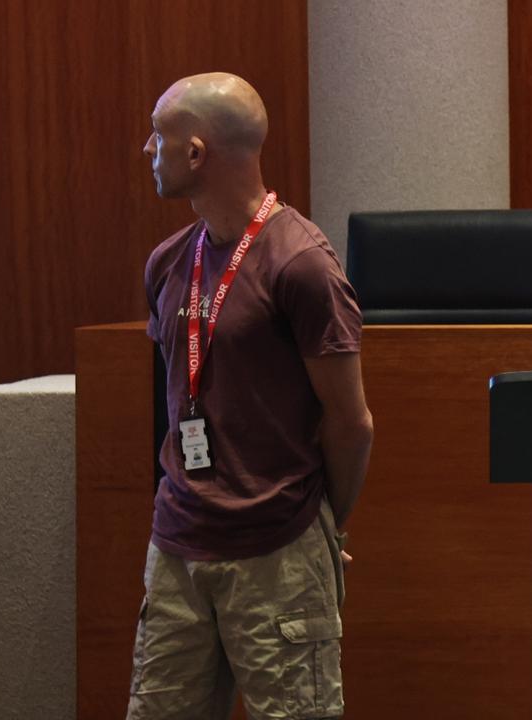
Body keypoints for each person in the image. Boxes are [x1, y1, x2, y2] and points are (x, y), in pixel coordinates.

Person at [131, 72, 374, 719]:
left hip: (278, 552)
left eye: (159, 139)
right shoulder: (166, 262)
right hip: (179, 549)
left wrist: (325, 524)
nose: (147, 152)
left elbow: (351, 424)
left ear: (196, 154)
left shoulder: (302, 263)